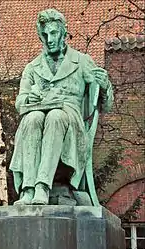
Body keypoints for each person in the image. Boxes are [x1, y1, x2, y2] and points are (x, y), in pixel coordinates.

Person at [10, 9, 113, 205]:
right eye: (45, 35)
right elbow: (19, 103)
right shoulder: (32, 68)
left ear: (64, 34)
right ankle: (28, 189)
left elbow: (106, 105)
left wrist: (105, 85)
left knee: (56, 116)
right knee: (32, 118)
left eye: (54, 33)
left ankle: (43, 186)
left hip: (71, 123)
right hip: (39, 117)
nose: (49, 39)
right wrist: (29, 98)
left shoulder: (82, 61)